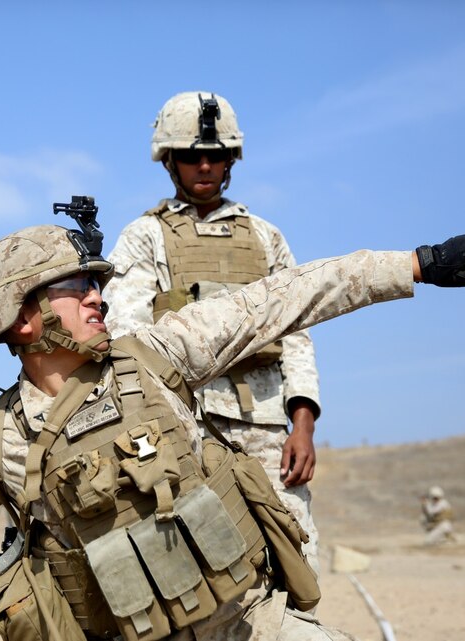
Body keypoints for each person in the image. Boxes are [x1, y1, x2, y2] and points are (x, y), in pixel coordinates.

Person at [0, 195, 465, 640]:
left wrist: (415, 264)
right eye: (75, 286)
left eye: (96, 283)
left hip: (247, 624)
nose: (98, 295)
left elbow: (282, 298)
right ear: (20, 318)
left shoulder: (159, 354)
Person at [106, 91, 323, 575]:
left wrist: (303, 425)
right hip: (185, 422)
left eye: (215, 155)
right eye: (191, 156)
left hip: (266, 425)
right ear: (170, 161)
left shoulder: (265, 236)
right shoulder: (145, 237)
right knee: (192, 565)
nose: (204, 166)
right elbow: (127, 337)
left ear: (231, 160)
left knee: (294, 556)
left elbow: (297, 334)